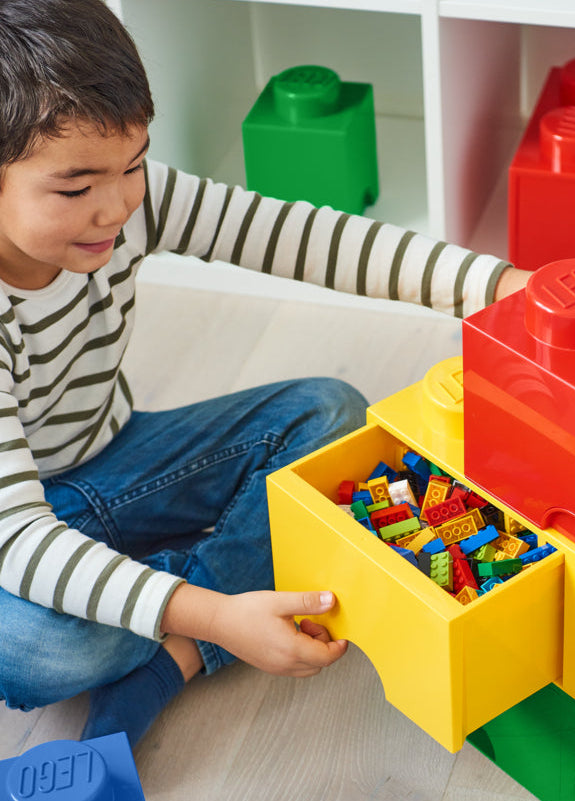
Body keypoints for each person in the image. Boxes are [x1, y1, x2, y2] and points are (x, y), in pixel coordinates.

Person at [0, 0, 532, 749]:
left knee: (327, 414)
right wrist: (219, 613)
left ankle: (169, 649)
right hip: (14, 519)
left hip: (110, 461)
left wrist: (503, 284)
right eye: (76, 187)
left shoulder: (126, 203)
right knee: (42, 648)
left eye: (133, 164)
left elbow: (308, 237)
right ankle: (183, 613)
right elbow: (17, 533)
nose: (116, 205)